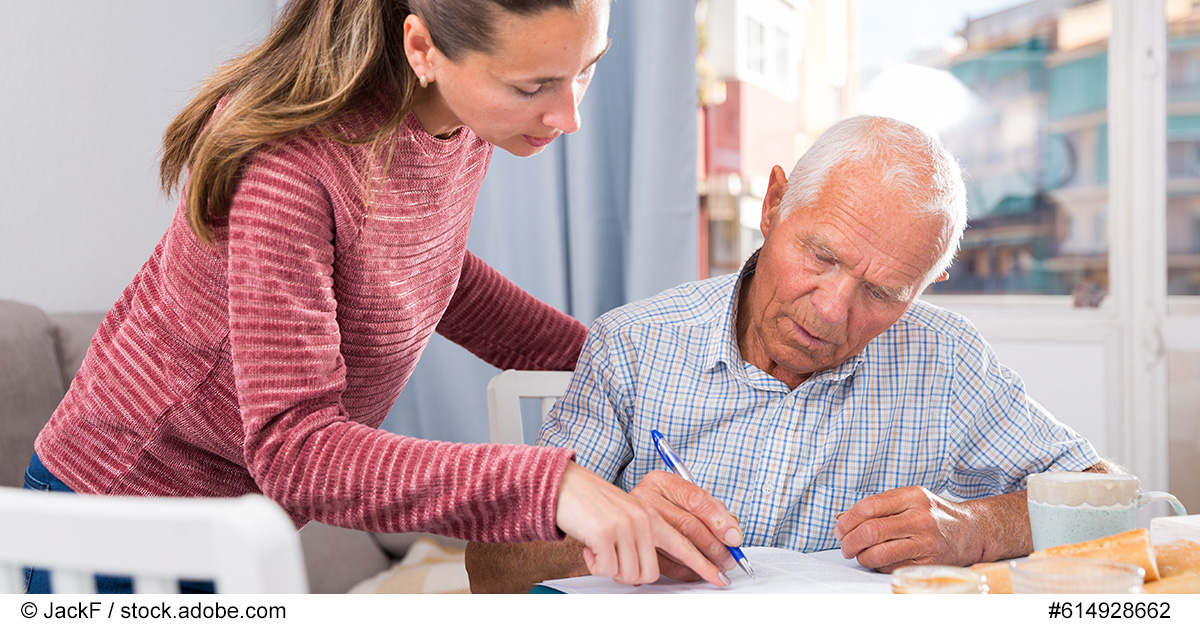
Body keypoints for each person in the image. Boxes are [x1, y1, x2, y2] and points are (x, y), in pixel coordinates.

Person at [24, 0, 730, 593]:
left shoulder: (460, 115)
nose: (566, 116)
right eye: (532, 86)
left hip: (235, 529)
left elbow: (429, 274)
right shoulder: (290, 166)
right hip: (120, 524)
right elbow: (298, 452)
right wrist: (551, 488)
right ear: (422, 47)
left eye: (588, 69)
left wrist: (623, 365)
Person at [464, 115, 1119, 593]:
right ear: (774, 204)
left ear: (923, 288)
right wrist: (606, 538)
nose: (831, 311)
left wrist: (974, 525)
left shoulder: (946, 361)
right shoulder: (633, 346)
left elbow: (1109, 494)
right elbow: (490, 565)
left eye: (884, 291)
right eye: (822, 255)